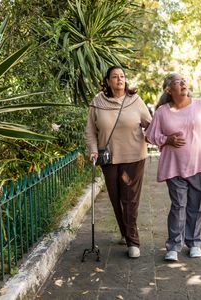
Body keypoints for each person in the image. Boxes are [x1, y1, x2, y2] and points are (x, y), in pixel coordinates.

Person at [145, 73, 201, 261]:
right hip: (174, 166)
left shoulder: (200, 105)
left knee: (197, 207)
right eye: (177, 82)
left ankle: (194, 242)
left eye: (184, 80)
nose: (183, 83)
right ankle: (173, 245)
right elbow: (150, 136)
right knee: (178, 206)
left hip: (200, 163)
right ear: (168, 89)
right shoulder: (162, 112)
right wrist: (167, 139)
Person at [84, 66, 152, 258]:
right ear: (107, 81)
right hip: (109, 158)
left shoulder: (135, 101)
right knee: (116, 199)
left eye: (122, 76)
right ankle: (125, 232)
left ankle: (133, 241)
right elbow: (90, 130)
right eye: (115, 77)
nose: (119, 79)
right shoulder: (97, 102)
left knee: (129, 199)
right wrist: (93, 150)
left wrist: (158, 137)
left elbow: (150, 123)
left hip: (134, 156)